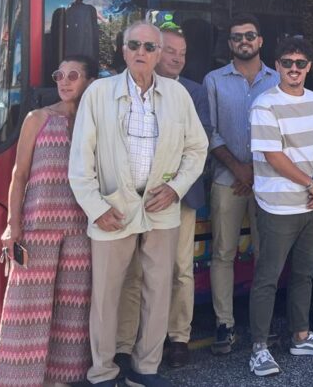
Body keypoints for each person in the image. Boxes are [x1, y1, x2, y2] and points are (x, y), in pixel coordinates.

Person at [69, 22, 208, 387]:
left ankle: (145, 369)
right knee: (105, 294)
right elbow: (81, 158)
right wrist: (97, 208)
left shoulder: (177, 95)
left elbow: (197, 148)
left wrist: (176, 188)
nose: (141, 52)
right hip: (112, 207)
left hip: (161, 206)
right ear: (123, 50)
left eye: (149, 46)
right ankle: (102, 371)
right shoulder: (99, 92)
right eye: (134, 45)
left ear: (159, 54)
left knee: (158, 290)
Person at [0, 56, 97, 387]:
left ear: (90, 82)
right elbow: (19, 174)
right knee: (25, 309)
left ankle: (63, 380)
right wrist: (13, 225)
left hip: (81, 229)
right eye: (59, 75)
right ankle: (17, 380)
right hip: (37, 228)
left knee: (73, 311)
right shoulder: (37, 118)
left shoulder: (95, 122)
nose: (64, 81)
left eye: (73, 75)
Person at [115, 28, 212, 370]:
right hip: (134, 196)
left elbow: (198, 143)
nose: (177, 59)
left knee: (181, 269)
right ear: (155, 52)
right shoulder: (124, 90)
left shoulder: (194, 92)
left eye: (182, 53)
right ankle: (125, 342)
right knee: (134, 271)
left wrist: (173, 187)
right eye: (170, 51)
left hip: (177, 198)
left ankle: (178, 337)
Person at [246, 37, 313, 377]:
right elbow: (273, 156)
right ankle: (259, 348)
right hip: (277, 206)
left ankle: (300, 335)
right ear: (277, 66)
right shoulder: (264, 104)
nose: (294, 69)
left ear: (309, 66)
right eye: (287, 63)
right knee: (267, 278)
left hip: (310, 203)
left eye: (300, 63)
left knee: (304, 272)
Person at [203, 14, 278, 356]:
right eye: (237, 37)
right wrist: (238, 169)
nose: (243, 41)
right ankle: (225, 323)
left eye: (250, 35)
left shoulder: (277, 80)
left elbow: (282, 132)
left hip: (268, 180)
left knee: (266, 253)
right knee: (223, 253)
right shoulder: (213, 80)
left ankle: (262, 321)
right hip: (226, 179)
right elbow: (209, 131)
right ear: (230, 43)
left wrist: (255, 172)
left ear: (260, 40)